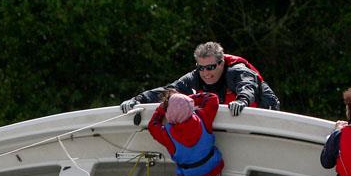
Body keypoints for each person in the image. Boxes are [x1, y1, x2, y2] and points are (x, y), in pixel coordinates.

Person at [120, 41, 280, 116]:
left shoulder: (237, 71)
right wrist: (138, 99)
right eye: (201, 67)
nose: (206, 73)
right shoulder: (195, 77)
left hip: (263, 112)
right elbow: (168, 91)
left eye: (210, 67)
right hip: (233, 117)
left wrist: (242, 101)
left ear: (221, 63)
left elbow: (247, 86)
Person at [148, 90, 224, 176]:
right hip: (216, 175)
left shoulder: (167, 135)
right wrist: (184, 100)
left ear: (169, 114)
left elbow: (152, 125)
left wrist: (161, 109)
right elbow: (212, 97)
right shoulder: (203, 116)